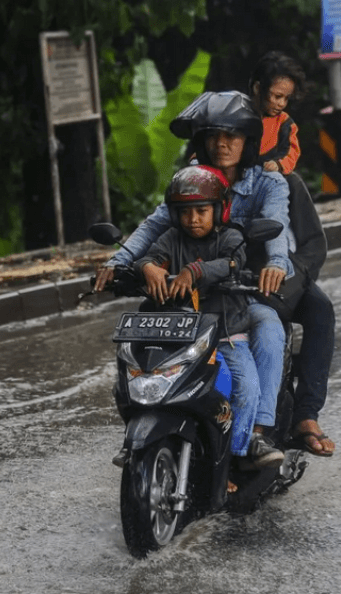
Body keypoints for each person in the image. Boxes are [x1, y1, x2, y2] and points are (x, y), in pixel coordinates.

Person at [95, 90, 292, 460]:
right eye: (213, 136)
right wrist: (119, 264)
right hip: (191, 305)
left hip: (246, 291)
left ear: (248, 140)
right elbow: (153, 229)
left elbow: (278, 229)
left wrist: (275, 265)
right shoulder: (189, 182)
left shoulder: (268, 183)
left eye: (231, 136)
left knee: (267, 330)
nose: (221, 144)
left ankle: (258, 433)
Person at [136, 165, 284, 480]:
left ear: (217, 210)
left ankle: (239, 455)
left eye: (202, 210)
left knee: (245, 387)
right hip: (182, 336)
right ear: (175, 215)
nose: (194, 219)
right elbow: (151, 257)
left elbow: (232, 263)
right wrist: (148, 268)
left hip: (227, 334)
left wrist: (195, 271)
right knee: (147, 379)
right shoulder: (170, 239)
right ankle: (141, 440)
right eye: (185, 212)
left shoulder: (231, 237)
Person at [248, 52, 336, 457]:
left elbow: (313, 245)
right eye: (219, 139)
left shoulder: (285, 183)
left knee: (320, 309)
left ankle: (305, 413)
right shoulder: (206, 190)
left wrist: (286, 277)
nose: (226, 146)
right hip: (225, 280)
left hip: (277, 281)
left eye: (285, 98)